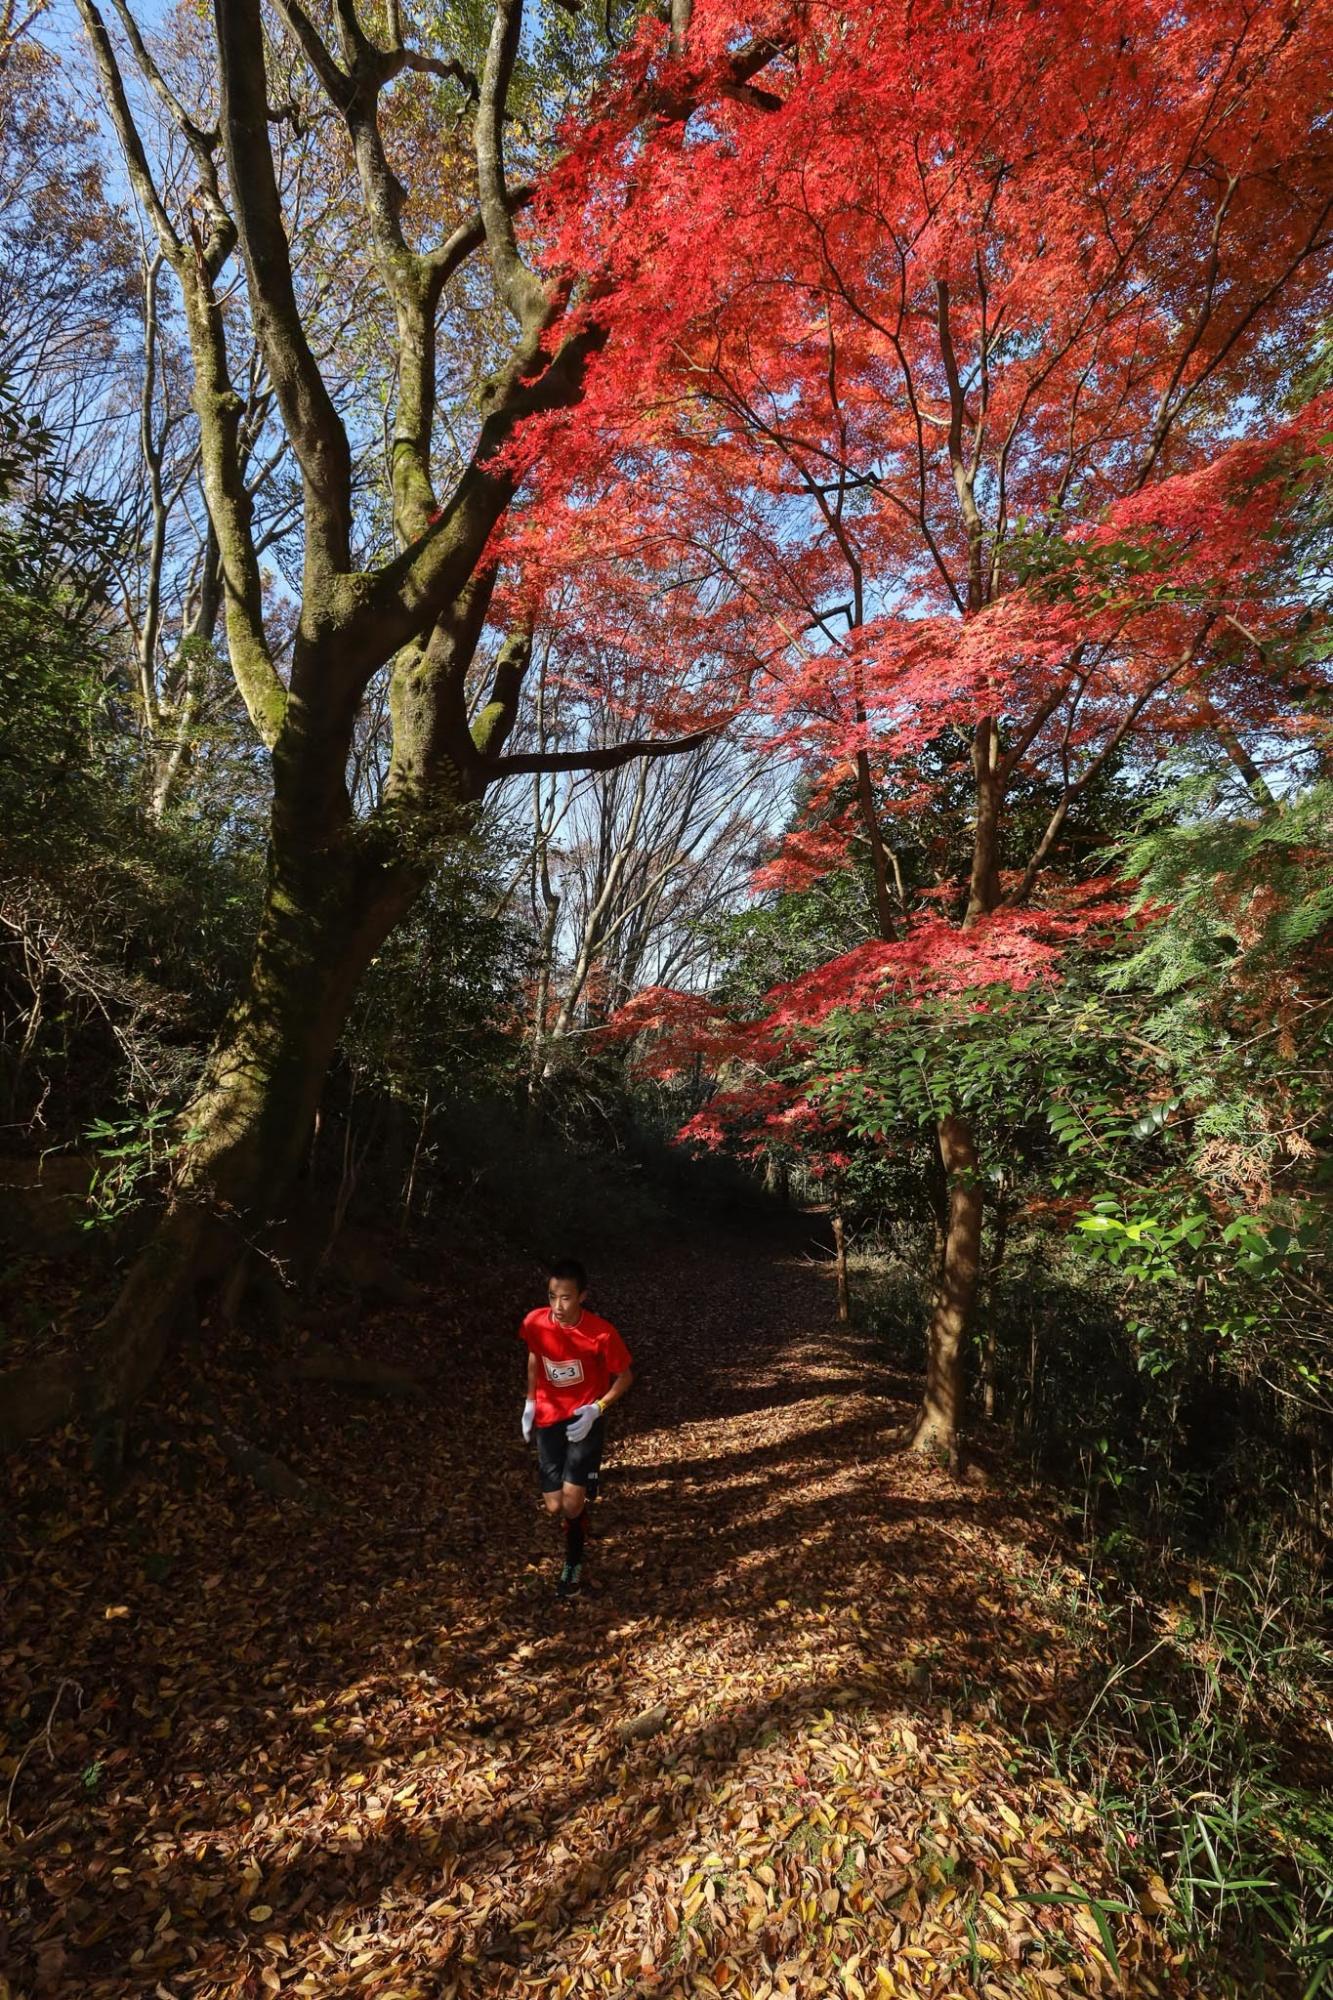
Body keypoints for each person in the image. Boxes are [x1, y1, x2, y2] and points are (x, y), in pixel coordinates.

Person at [520, 1257, 633, 1598]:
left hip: (585, 1419)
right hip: (549, 1418)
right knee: (554, 1506)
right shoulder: (535, 1322)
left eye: (565, 1297)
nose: (557, 1305)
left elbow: (625, 1377)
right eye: (552, 1295)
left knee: (570, 1504)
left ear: (583, 1296)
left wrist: (597, 1409)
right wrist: (530, 1402)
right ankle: (580, 1507)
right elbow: (535, 1356)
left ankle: (573, 1565)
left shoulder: (601, 1332)